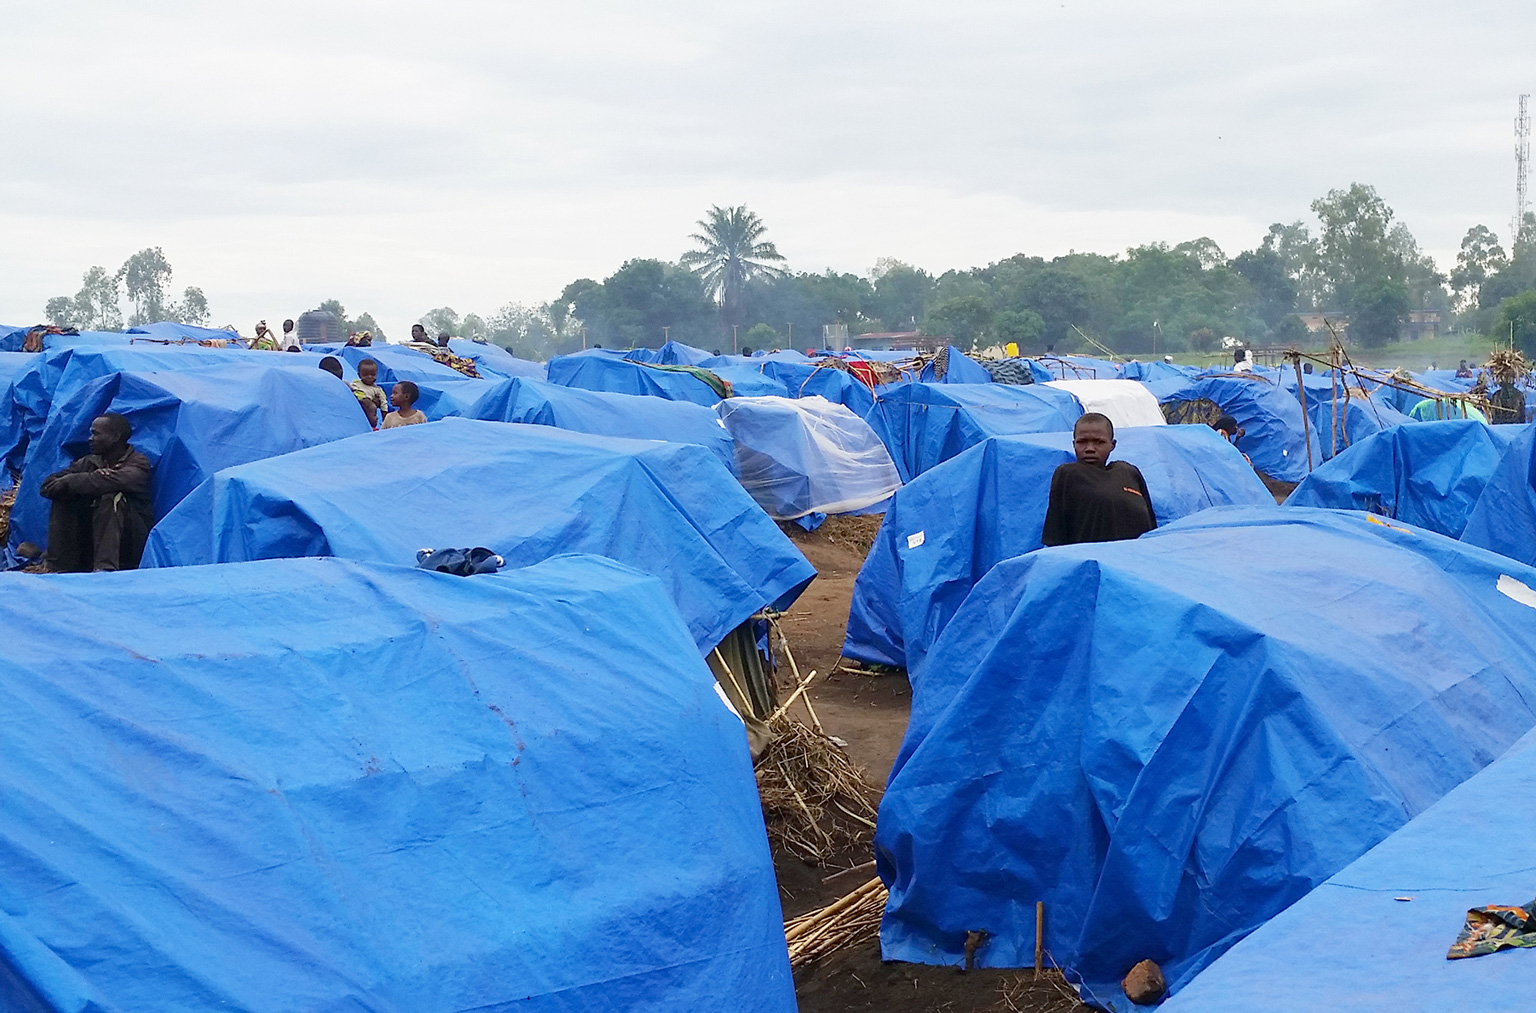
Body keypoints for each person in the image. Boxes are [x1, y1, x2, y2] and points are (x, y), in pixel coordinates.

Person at [38, 413, 154, 572]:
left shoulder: (138, 462)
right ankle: (59, 566)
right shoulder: (88, 462)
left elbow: (120, 481)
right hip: (90, 539)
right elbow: (47, 486)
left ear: (115, 437)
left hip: (129, 542)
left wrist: (78, 480)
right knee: (64, 496)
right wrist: (75, 480)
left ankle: (105, 569)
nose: (90, 438)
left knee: (112, 498)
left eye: (96, 433)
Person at [1041, 413, 1157, 547]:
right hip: (1091, 561)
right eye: (1082, 442)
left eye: (1099, 442)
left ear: (1112, 445)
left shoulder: (1129, 473)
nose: (1090, 449)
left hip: (1135, 558)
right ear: (1074, 444)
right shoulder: (1067, 474)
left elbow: (1151, 526)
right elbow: (1055, 534)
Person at [350, 359, 388, 428]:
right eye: (365, 375)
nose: (370, 377)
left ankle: (373, 423)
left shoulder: (377, 389)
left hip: (369, 406)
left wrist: (384, 417)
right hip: (358, 402)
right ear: (359, 375)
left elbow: (383, 403)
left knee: (371, 406)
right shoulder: (355, 384)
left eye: (373, 374)